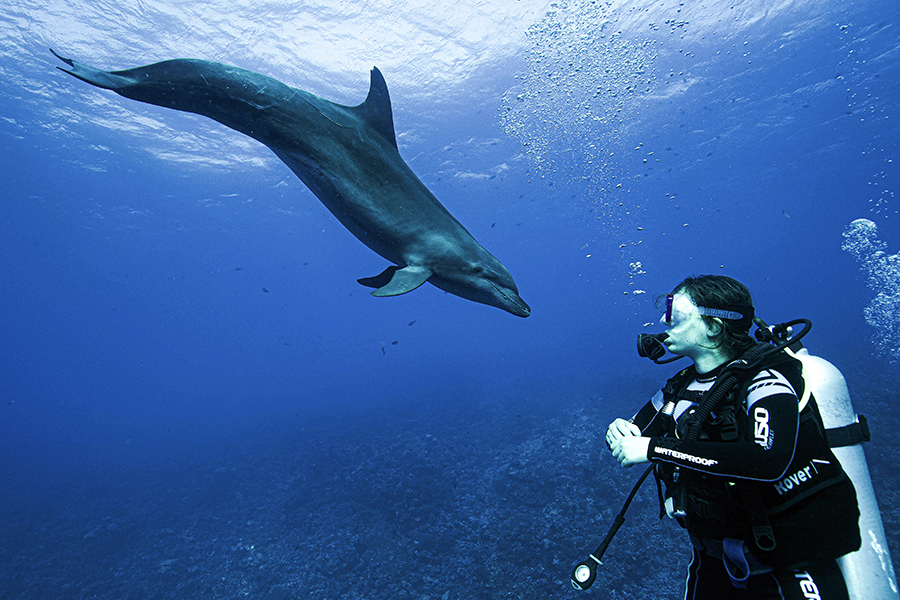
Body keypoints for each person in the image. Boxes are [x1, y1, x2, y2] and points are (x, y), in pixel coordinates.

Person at [606, 275, 860, 599]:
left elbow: (768, 460)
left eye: (676, 312)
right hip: (711, 562)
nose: (663, 321)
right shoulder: (679, 387)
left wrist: (657, 448)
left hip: (785, 566)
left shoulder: (765, 381)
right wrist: (618, 431)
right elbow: (635, 435)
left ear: (713, 326)